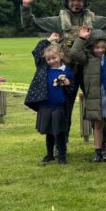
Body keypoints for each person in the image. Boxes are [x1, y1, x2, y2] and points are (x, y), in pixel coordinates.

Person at [21, 0, 106, 137]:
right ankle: (61, 142)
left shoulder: (94, 21)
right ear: (66, 1)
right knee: (64, 106)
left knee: (95, 105)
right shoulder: (58, 21)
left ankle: (101, 142)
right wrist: (26, 6)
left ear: (85, 2)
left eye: (79, 0)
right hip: (66, 71)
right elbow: (29, 24)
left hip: (89, 70)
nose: (75, 3)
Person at [68, 26, 106, 162]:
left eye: (102, 47)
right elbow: (74, 53)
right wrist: (81, 38)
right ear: (91, 47)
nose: (100, 50)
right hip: (95, 95)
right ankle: (98, 151)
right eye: (97, 47)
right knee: (97, 124)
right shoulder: (86, 58)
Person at [25, 33, 75, 165]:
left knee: (60, 132)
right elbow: (37, 52)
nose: (52, 61)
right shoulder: (44, 69)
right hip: (46, 106)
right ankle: (50, 154)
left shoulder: (67, 70)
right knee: (49, 132)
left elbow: (72, 88)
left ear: (60, 56)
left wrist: (67, 83)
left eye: (54, 58)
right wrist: (49, 40)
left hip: (60, 106)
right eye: (49, 59)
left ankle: (62, 156)